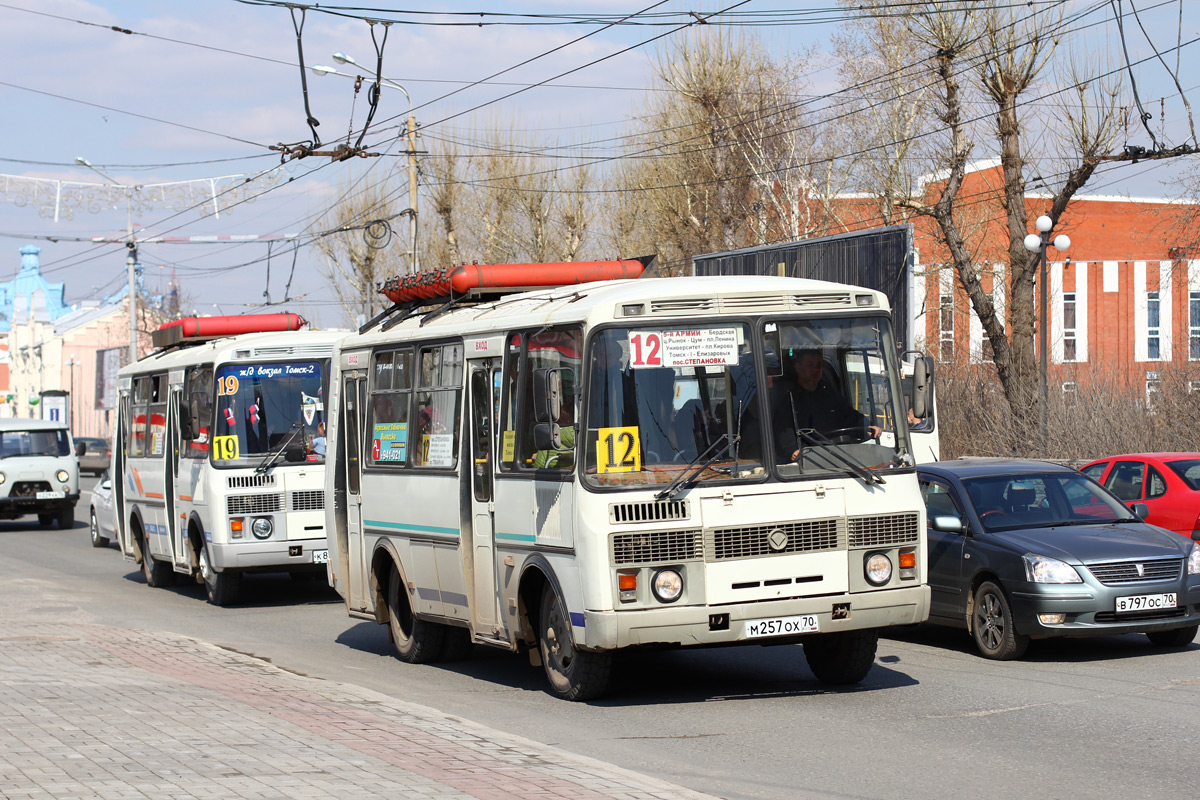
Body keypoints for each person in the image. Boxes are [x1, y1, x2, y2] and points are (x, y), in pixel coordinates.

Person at [775, 348, 881, 461]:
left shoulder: (829, 394)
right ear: (798, 367)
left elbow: (849, 415)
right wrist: (794, 450)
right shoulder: (789, 397)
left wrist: (868, 426)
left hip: (838, 455)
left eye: (819, 365)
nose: (816, 369)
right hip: (807, 461)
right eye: (810, 365)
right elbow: (784, 434)